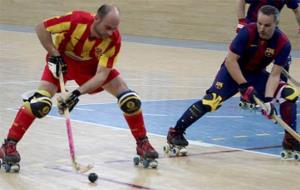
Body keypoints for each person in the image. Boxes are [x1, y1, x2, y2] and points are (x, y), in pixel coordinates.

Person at [0, 4, 158, 172]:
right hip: (62, 62)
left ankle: (142, 143)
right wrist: (54, 54)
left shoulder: (113, 40)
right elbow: (41, 28)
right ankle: (8, 145)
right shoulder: (75, 20)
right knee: (39, 103)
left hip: (91, 68)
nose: (111, 32)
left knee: (130, 100)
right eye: (108, 27)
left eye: (115, 28)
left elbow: (102, 75)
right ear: (96, 18)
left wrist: (76, 94)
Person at [165, 5, 300, 159]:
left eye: (267, 25)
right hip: (231, 72)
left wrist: (268, 101)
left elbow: (275, 75)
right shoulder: (247, 32)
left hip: (256, 76)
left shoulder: (283, 43)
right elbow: (230, 61)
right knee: (211, 101)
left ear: (276, 24)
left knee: (289, 94)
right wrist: (244, 86)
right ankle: (176, 132)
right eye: (259, 23)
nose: (262, 28)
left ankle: (290, 140)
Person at [235, 0, 300, 83]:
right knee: (254, 60)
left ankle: (280, 88)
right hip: (252, 29)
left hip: (270, 30)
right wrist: (241, 22)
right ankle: (250, 89)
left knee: (286, 58)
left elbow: (296, 8)